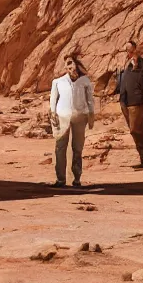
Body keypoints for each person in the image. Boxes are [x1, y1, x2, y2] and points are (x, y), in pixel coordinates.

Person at [50, 54, 94, 188]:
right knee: (60, 147)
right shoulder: (58, 82)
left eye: (72, 63)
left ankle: (76, 178)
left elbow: (90, 99)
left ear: (77, 64)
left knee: (77, 148)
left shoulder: (85, 81)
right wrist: (53, 114)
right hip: (62, 116)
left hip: (80, 117)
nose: (71, 67)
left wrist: (91, 115)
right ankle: (60, 179)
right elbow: (53, 99)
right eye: (68, 65)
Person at [117, 40, 143, 168]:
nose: (128, 52)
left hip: (138, 104)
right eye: (126, 50)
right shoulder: (125, 67)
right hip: (126, 103)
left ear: (135, 49)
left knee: (135, 130)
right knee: (136, 131)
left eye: (130, 49)